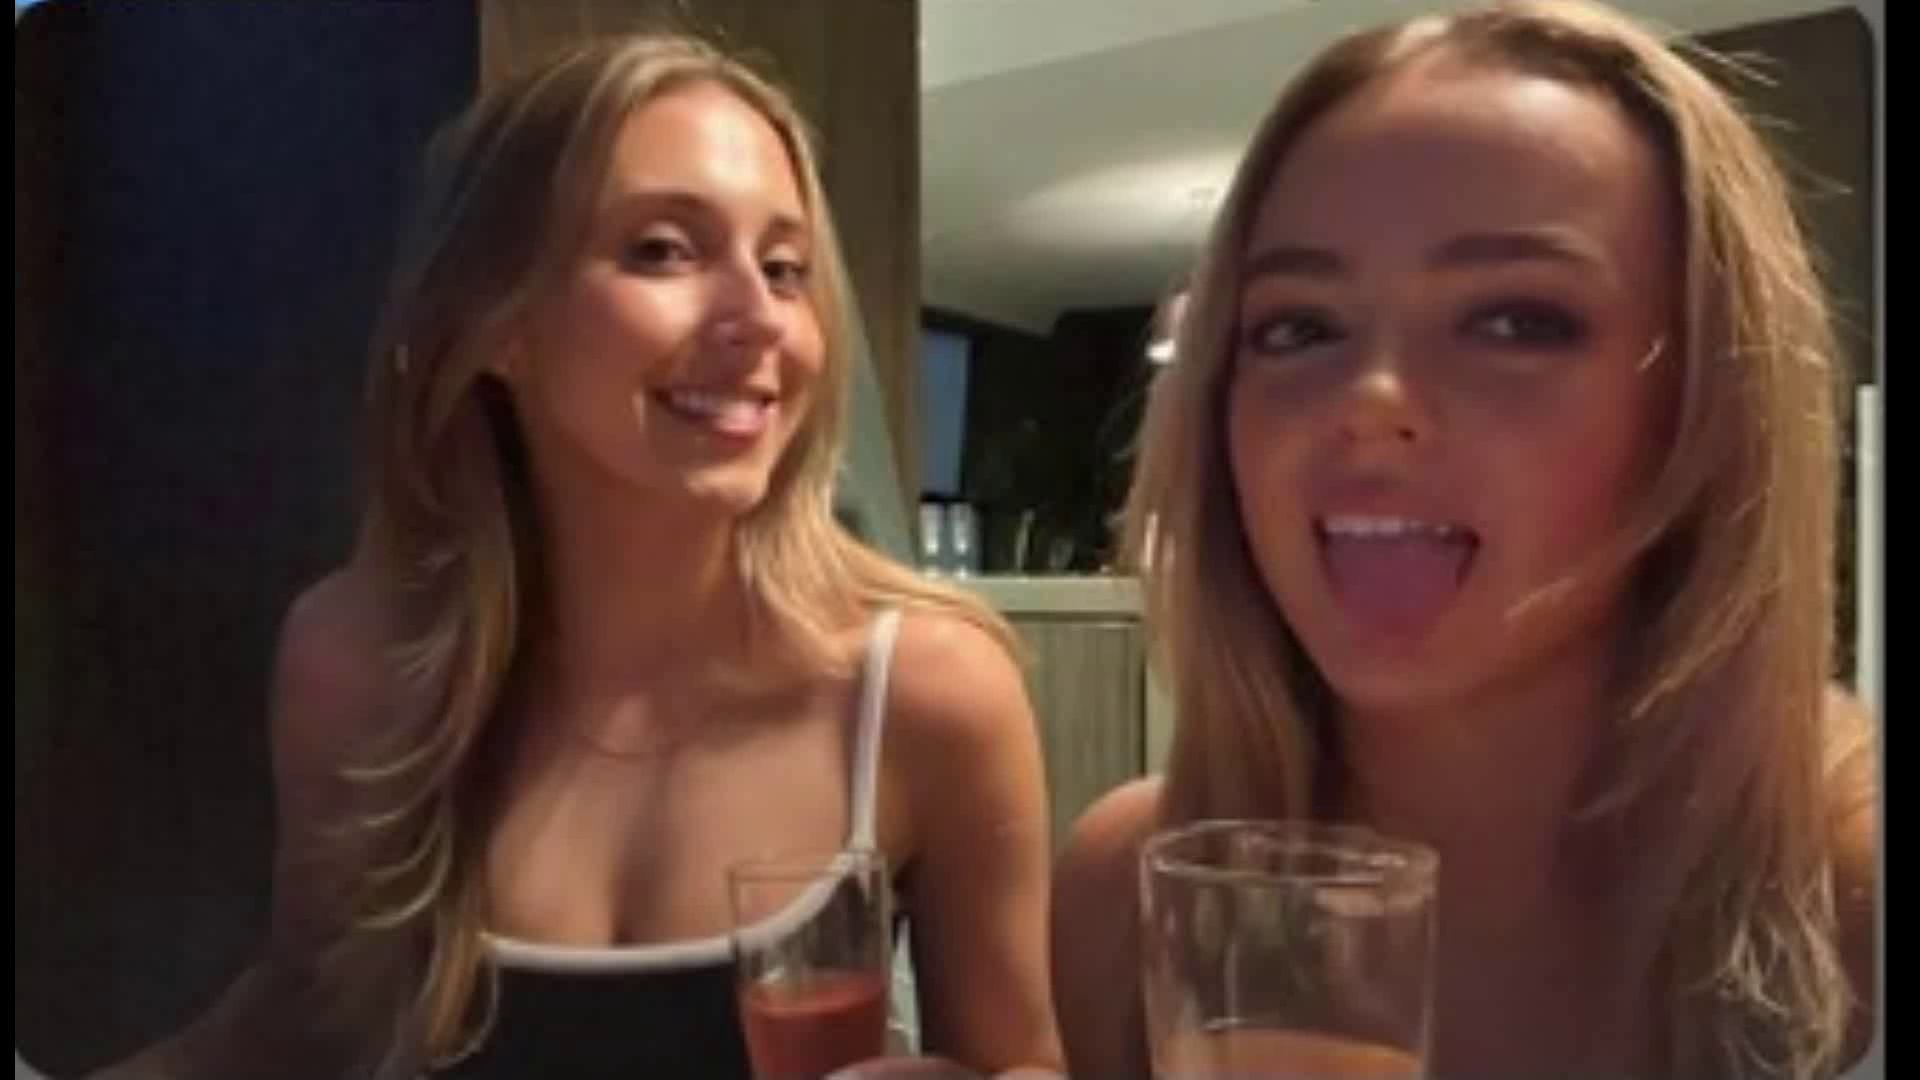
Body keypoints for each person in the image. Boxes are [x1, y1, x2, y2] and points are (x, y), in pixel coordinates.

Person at [92, 33, 1061, 1079]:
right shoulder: (356, 663)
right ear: (498, 324)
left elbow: (1026, 1061)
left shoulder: (928, 692)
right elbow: (302, 1018)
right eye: (664, 251)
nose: (758, 317)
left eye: (785, 269)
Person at [1052, 1, 1877, 1076]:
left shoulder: (1856, 888)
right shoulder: (1125, 889)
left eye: (1516, 321)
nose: (1370, 401)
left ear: (1707, 408)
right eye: (1298, 326)